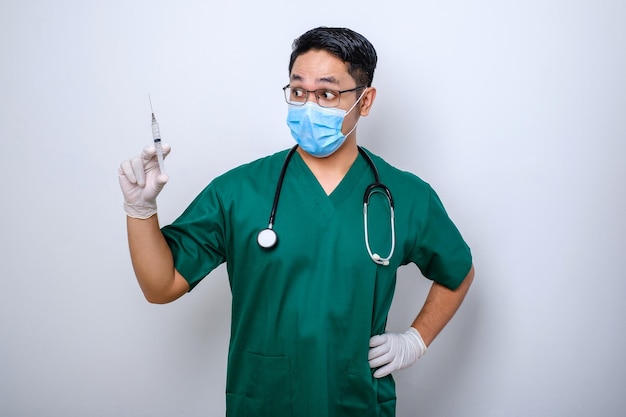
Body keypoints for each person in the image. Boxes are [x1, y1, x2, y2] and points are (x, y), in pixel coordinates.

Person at [118, 26, 474, 417]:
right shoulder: (239, 191)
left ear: (365, 100)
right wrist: (140, 211)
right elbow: (161, 285)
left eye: (326, 93)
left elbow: (457, 271)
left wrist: (415, 340)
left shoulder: (405, 195)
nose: (308, 106)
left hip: (356, 401)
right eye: (298, 91)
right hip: (265, 400)